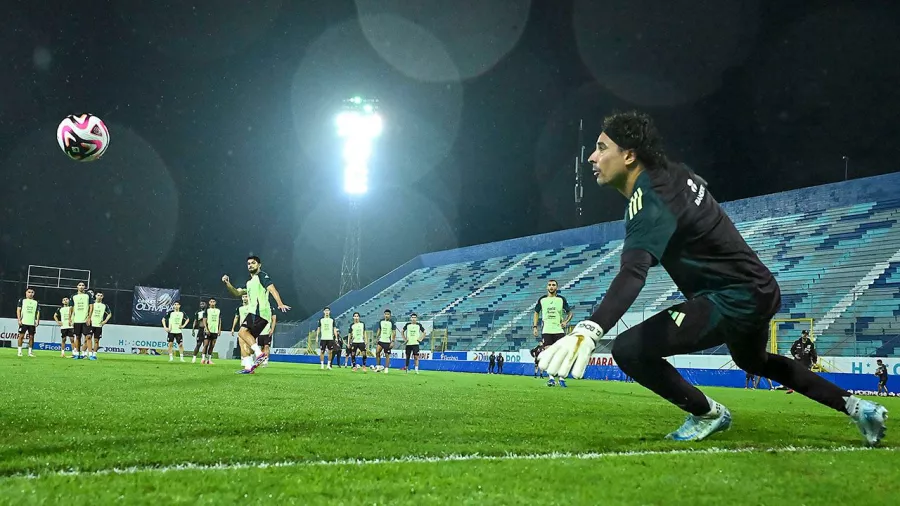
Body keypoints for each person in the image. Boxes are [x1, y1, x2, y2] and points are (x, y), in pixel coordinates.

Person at [539, 111, 887, 445]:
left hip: (731, 297)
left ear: (629, 155)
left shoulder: (649, 200)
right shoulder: (674, 174)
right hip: (760, 289)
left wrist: (591, 327)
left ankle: (707, 414)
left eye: (601, 148)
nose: (592, 158)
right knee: (754, 362)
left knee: (629, 350)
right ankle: (860, 408)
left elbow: (633, 272)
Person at [222, 255, 291, 374]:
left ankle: (260, 354)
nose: (250, 265)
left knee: (242, 332)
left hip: (260, 311)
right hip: (255, 312)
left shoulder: (262, 276)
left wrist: (280, 303)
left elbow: (272, 289)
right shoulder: (249, 282)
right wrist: (228, 283)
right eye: (248, 263)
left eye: (253, 263)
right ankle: (249, 368)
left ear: (259, 265)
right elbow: (237, 293)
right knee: (243, 339)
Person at [533, 280, 573, 387]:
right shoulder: (542, 300)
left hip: (559, 331)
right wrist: (535, 327)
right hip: (546, 331)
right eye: (550, 285)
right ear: (547, 287)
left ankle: (561, 378)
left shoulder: (561, 299)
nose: (551, 287)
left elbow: (570, 313)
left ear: (557, 287)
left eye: (553, 285)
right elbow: (536, 313)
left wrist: (565, 321)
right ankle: (551, 378)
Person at [86, 291, 112, 360]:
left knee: (96, 340)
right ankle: (90, 353)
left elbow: (109, 314)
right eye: (98, 295)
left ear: (102, 297)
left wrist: (105, 321)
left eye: (101, 295)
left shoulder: (104, 306)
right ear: (95, 296)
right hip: (91, 324)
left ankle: (94, 354)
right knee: (88, 337)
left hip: (99, 325)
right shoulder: (92, 304)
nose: (99, 297)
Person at [69, 282, 91, 360]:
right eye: (80, 285)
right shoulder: (73, 296)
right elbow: (71, 308)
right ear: (77, 287)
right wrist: (69, 318)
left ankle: (89, 354)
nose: (81, 287)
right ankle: (77, 353)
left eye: (83, 285)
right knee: (77, 337)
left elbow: (91, 306)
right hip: (77, 320)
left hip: (85, 320)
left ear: (85, 287)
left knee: (88, 336)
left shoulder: (88, 295)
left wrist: (89, 317)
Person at [16, 287, 40, 357]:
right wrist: (19, 319)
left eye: (32, 292)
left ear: (34, 293)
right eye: (29, 292)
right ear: (26, 293)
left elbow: (38, 312)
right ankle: (19, 351)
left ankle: (30, 352)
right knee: (21, 336)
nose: (30, 294)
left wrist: (37, 320)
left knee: (31, 337)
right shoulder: (22, 300)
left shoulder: (36, 302)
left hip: (32, 322)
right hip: (24, 321)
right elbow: (18, 310)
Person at [202, 297, 222, 365]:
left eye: (213, 301)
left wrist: (219, 329)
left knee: (212, 345)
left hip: (215, 330)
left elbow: (219, 321)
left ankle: (209, 359)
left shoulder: (218, 310)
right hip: (208, 330)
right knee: (206, 344)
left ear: (215, 303)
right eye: (211, 301)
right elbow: (204, 320)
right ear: (209, 303)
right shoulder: (207, 310)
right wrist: (206, 329)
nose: (212, 303)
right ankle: (203, 359)